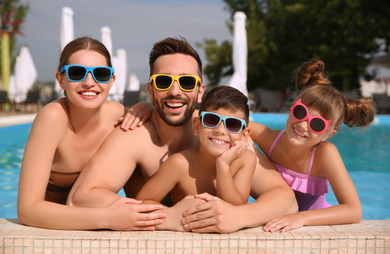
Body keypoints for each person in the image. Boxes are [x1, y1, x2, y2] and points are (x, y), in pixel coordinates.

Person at [68, 36, 297, 232]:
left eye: (187, 82)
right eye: (164, 81)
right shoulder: (135, 134)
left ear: (200, 91)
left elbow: (285, 200)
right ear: (150, 89)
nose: (175, 91)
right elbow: (80, 198)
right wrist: (167, 216)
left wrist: (239, 217)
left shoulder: (222, 134)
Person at [17, 37, 166, 230]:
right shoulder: (53, 118)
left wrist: (147, 107)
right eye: (77, 73)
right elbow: (27, 210)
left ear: (111, 80)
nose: (89, 82)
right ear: (61, 80)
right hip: (51, 230)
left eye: (100, 74)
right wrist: (107, 218)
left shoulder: (118, 115)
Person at [248, 59, 375, 232]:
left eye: (317, 124)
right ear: (292, 107)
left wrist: (300, 218)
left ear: (328, 134)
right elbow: (231, 122)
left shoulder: (324, 153)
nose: (302, 125)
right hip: (275, 219)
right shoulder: (270, 138)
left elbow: (354, 211)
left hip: (312, 222)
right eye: (300, 112)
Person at [136, 86, 256, 207]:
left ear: (244, 135)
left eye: (232, 124)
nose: (220, 130)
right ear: (197, 126)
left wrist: (223, 165)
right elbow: (141, 203)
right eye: (211, 120)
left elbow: (236, 209)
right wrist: (171, 214)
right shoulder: (179, 164)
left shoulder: (246, 160)